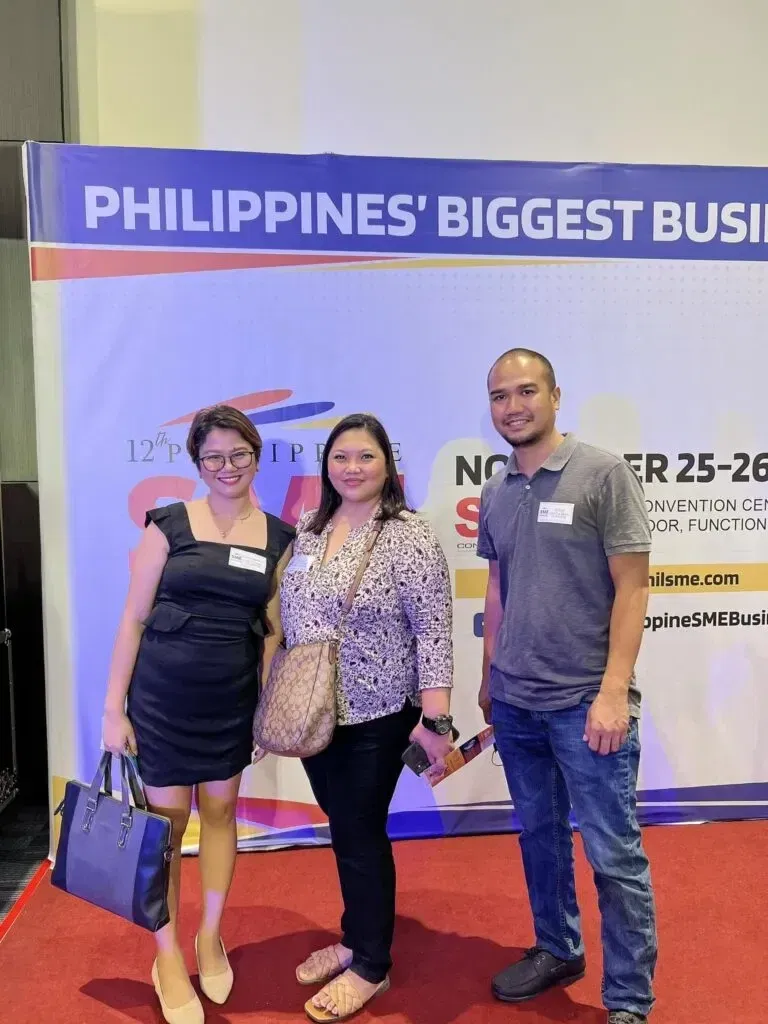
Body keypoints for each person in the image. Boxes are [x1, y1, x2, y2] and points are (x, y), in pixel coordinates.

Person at [476, 349, 657, 1024]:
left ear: (556, 396)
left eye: (526, 391)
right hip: (518, 702)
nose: (512, 406)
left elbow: (633, 587)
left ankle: (629, 1001)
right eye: (499, 395)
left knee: (613, 857)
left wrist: (614, 690)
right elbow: (497, 588)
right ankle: (558, 948)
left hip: (587, 703)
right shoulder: (497, 491)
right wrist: (491, 674)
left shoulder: (602, 472)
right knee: (539, 837)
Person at [102, 404, 294, 1024]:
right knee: (165, 824)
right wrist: (113, 709)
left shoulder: (277, 537)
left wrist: (267, 701)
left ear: (255, 455)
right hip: (161, 701)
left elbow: (272, 632)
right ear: (197, 463)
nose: (227, 466)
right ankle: (167, 953)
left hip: (231, 700)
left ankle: (210, 934)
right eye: (213, 456)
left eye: (238, 454)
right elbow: (133, 619)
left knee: (218, 811)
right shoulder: (169, 525)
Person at [270, 412, 455, 1023]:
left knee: (359, 831)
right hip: (316, 710)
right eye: (341, 457)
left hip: (378, 713)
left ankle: (371, 962)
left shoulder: (408, 534)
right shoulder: (311, 527)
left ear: (387, 466)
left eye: (365, 457)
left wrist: (436, 718)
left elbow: (433, 628)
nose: (352, 468)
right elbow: (292, 615)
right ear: (327, 465)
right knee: (345, 828)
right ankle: (354, 938)